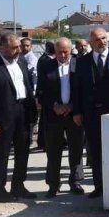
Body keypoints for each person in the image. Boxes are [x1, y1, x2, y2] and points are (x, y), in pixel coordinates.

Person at [0, 33, 37, 202]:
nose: (18, 50)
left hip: (23, 112)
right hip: (2, 116)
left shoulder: (22, 62)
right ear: (2, 47)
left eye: (19, 46)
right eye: (14, 47)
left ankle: (18, 186)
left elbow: (27, 86)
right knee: (1, 153)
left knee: (23, 151)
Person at [72, 27, 109, 199]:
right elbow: (77, 89)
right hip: (91, 114)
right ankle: (99, 187)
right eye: (97, 39)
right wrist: (77, 112)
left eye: (104, 38)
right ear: (90, 42)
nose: (102, 42)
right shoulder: (81, 62)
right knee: (95, 152)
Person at [36, 38, 83, 197]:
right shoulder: (45, 66)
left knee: (75, 149)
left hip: (74, 114)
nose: (63, 55)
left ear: (71, 50)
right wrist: (53, 105)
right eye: (59, 52)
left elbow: (84, 91)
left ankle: (75, 181)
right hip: (53, 115)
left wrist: (72, 107)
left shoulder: (79, 64)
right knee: (53, 151)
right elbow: (41, 92)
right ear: (54, 52)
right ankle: (53, 184)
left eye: (66, 51)